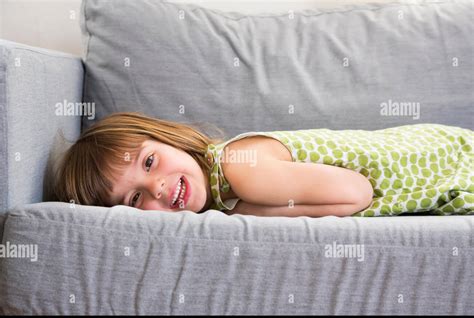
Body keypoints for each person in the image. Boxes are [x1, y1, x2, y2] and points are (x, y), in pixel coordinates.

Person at [53, 112, 473, 217]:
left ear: (172, 139)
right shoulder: (220, 193)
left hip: (449, 162)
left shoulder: (239, 168)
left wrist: (247, 214)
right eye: (133, 199)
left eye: (149, 162)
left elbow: (356, 194)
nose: (157, 188)